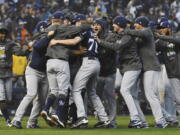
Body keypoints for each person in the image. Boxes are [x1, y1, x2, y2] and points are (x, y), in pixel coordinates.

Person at [49, 18, 110, 129]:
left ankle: (82, 117)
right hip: (96, 63)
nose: (78, 26)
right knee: (92, 92)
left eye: (80, 24)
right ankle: (104, 119)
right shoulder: (94, 33)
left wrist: (57, 41)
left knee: (76, 90)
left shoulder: (86, 30)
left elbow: (74, 42)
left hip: (88, 63)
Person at [123, 16, 168, 128]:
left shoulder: (147, 31)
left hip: (151, 67)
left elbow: (139, 34)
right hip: (145, 69)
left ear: (140, 23)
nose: (134, 25)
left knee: (151, 95)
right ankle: (160, 119)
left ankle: (161, 120)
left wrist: (125, 29)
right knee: (149, 96)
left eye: (136, 24)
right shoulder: (140, 34)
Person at [11, 21, 54, 129]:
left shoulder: (50, 39)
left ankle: (32, 123)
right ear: (43, 29)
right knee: (31, 94)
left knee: (41, 100)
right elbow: (38, 47)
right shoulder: (40, 40)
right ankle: (16, 119)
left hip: (44, 72)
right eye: (48, 27)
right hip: (33, 71)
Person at [0, 23, 28, 127]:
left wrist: (25, 49)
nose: (1, 35)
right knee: (1, 98)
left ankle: (8, 113)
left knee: (9, 99)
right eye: (0, 33)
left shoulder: (10, 43)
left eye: (3, 33)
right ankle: (8, 120)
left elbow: (19, 52)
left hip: (7, 74)